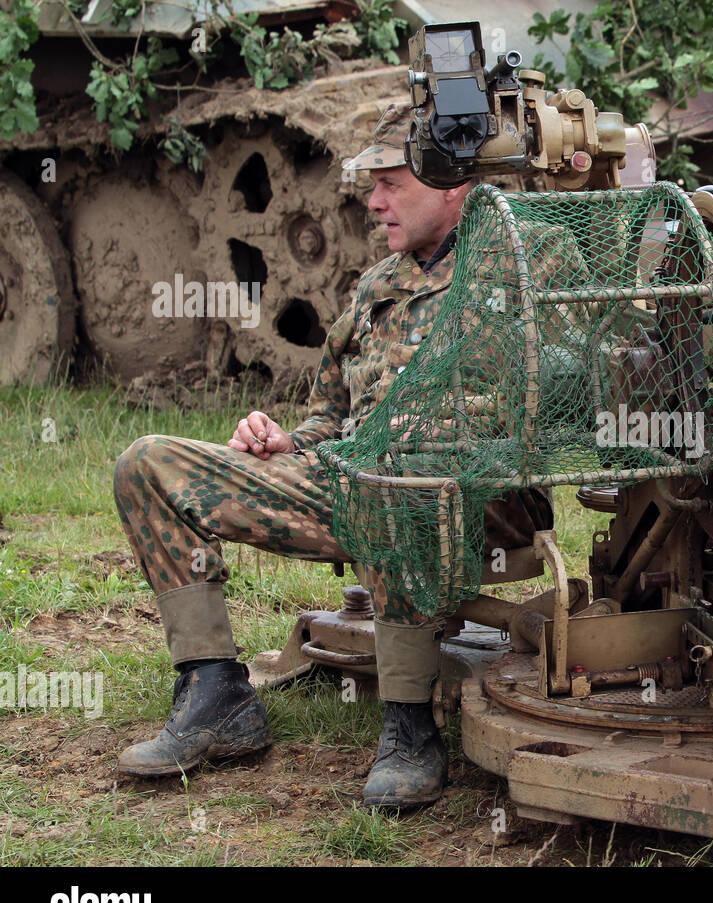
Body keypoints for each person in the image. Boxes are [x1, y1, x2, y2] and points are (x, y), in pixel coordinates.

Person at [112, 104, 552, 808]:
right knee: (148, 462)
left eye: (392, 184)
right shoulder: (378, 286)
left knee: (392, 473)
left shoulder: (528, 265)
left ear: (452, 185)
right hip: (356, 481)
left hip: (478, 499)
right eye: (371, 185)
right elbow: (333, 416)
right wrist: (288, 441)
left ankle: (411, 726)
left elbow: (561, 398)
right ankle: (217, 692)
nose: (373, 202)